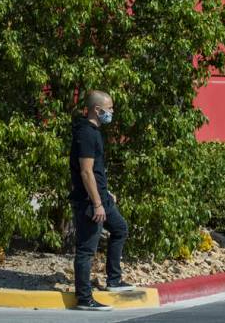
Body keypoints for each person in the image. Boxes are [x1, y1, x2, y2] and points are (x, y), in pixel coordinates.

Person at [70, 90, 132, 312]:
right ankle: (84, 299)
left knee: (120, 228)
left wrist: (106, 192)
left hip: (101, 196)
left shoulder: (94, 132)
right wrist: (97, 203)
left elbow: (95, 171)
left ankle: (114, 281)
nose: (112, 112)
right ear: (98, 110)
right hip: (89, 202)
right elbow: (86, 172)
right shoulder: (86, 133)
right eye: (110, 109)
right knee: (86, 250)